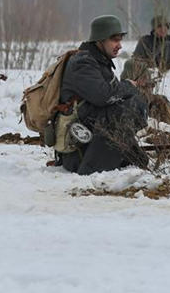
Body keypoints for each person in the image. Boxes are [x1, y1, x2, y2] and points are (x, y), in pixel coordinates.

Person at [58, 15, 149, 175]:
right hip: (77, 151)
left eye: (120, 40)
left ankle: (125, 156)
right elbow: (103, 96)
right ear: (99, 40)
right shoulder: (83, 63)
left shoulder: (97, 60)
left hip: (89, 140)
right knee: (125, 109)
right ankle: (93, 170)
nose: (119, 45)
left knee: (132, 104)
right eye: (114, 40)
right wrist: (128, 86)